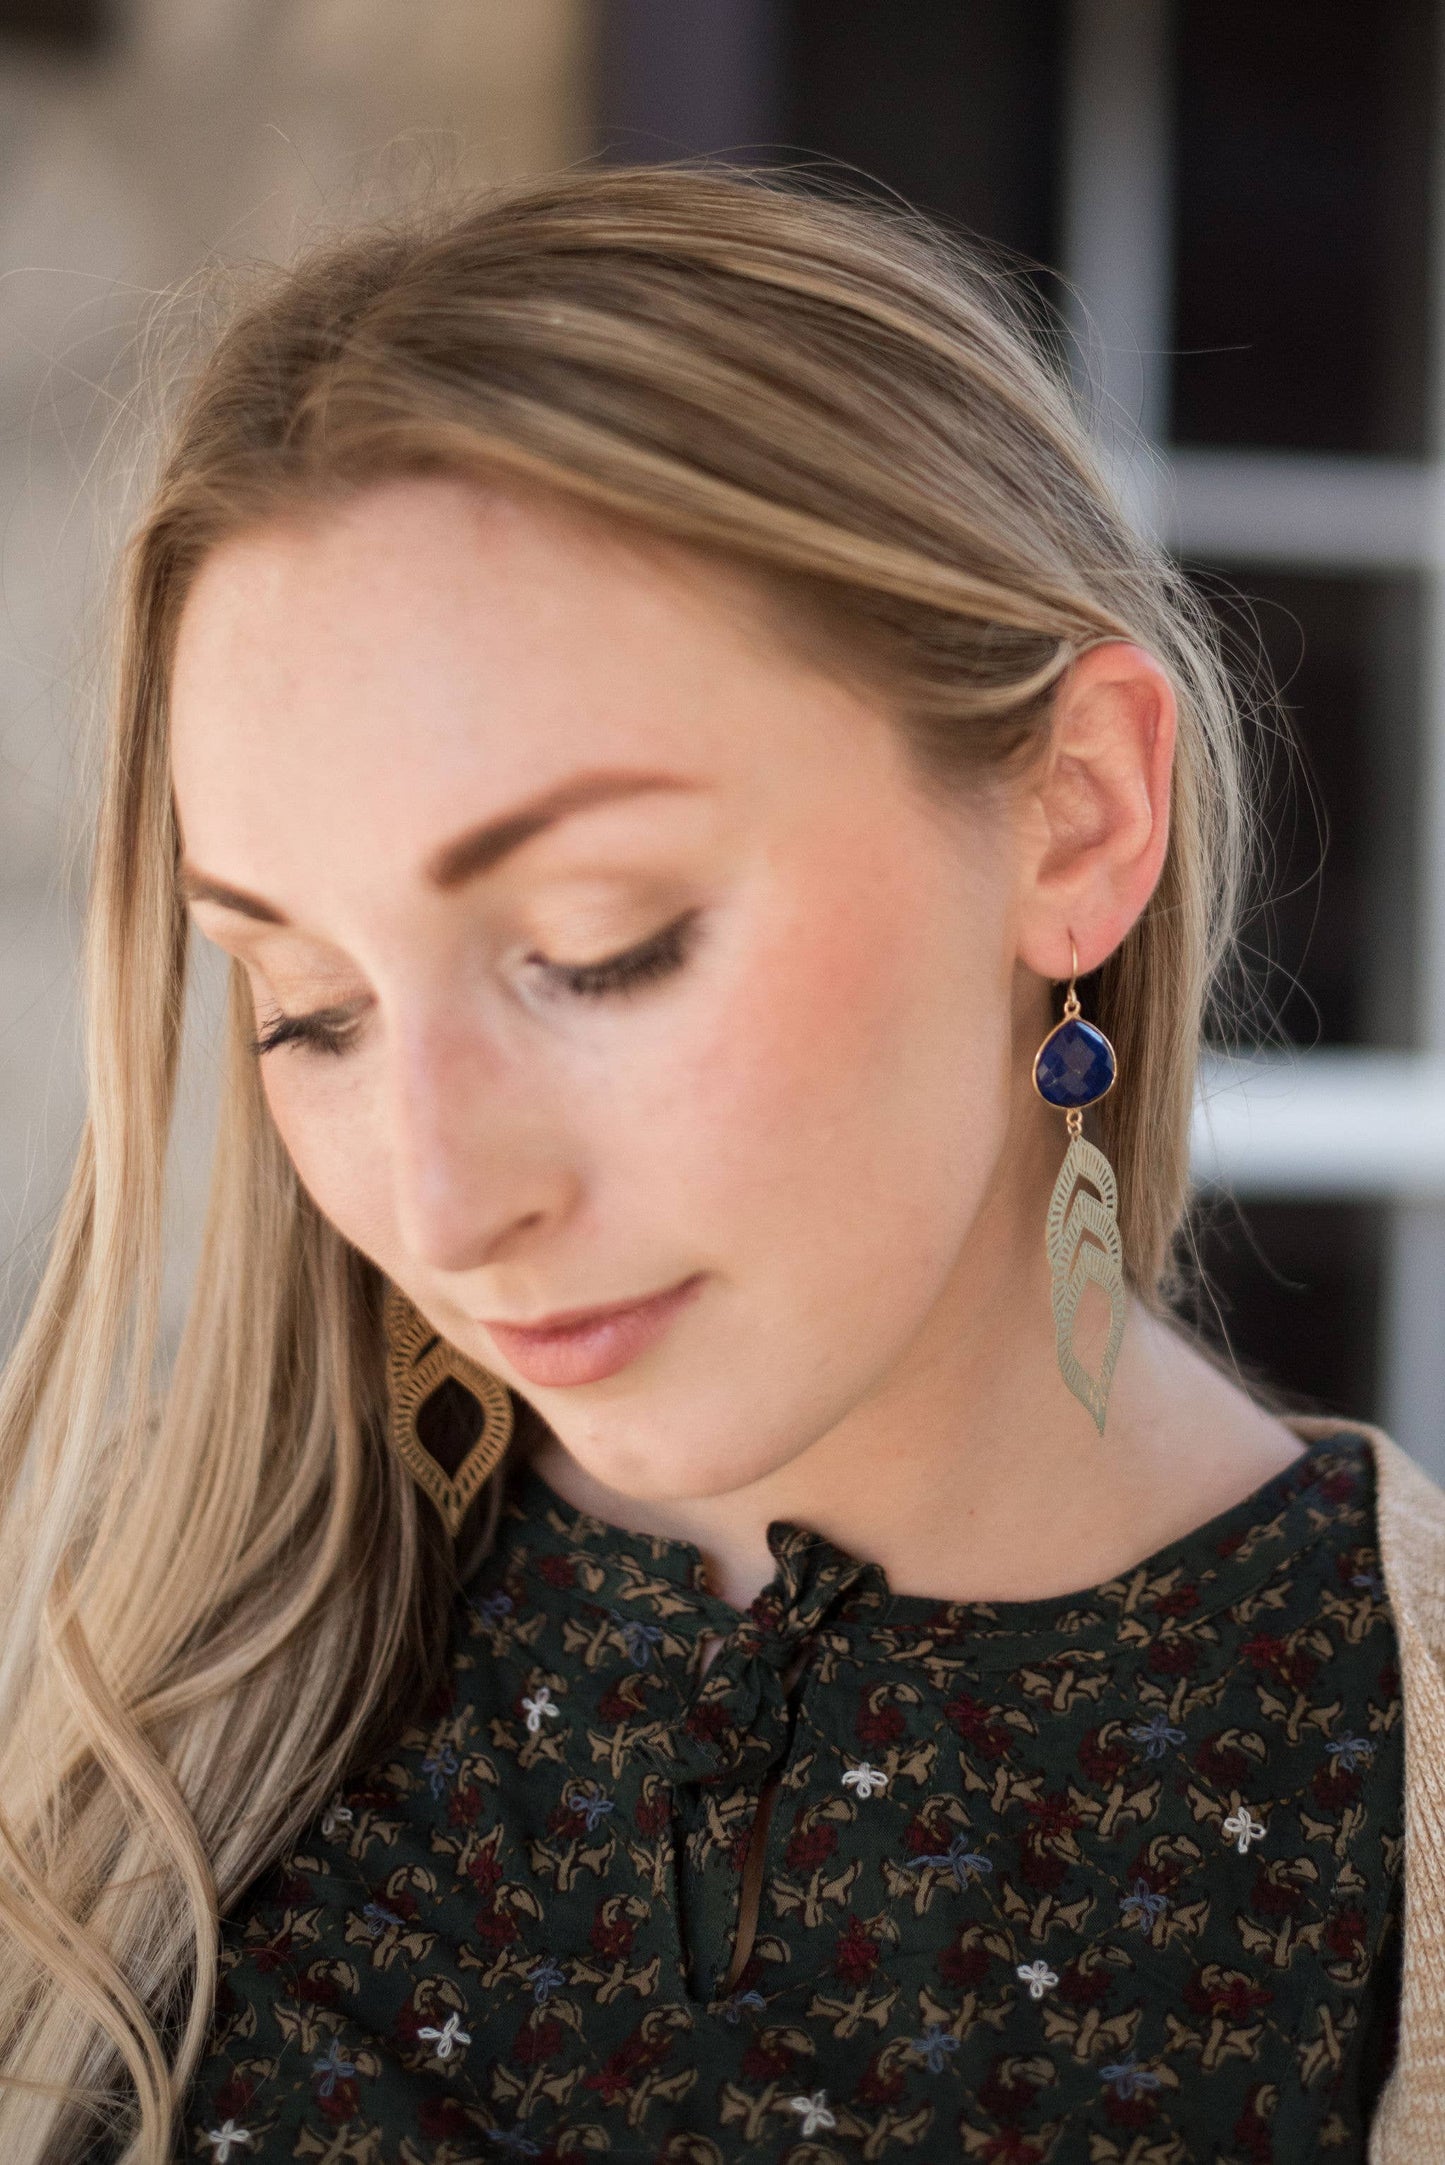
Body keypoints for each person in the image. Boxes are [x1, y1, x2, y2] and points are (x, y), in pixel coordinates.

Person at [0, 166, 1441, 2165]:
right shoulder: (132, 1691)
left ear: (1078, 820)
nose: (439, 1203)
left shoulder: (1385, 1790)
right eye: (307, 1005)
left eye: (604, 946)